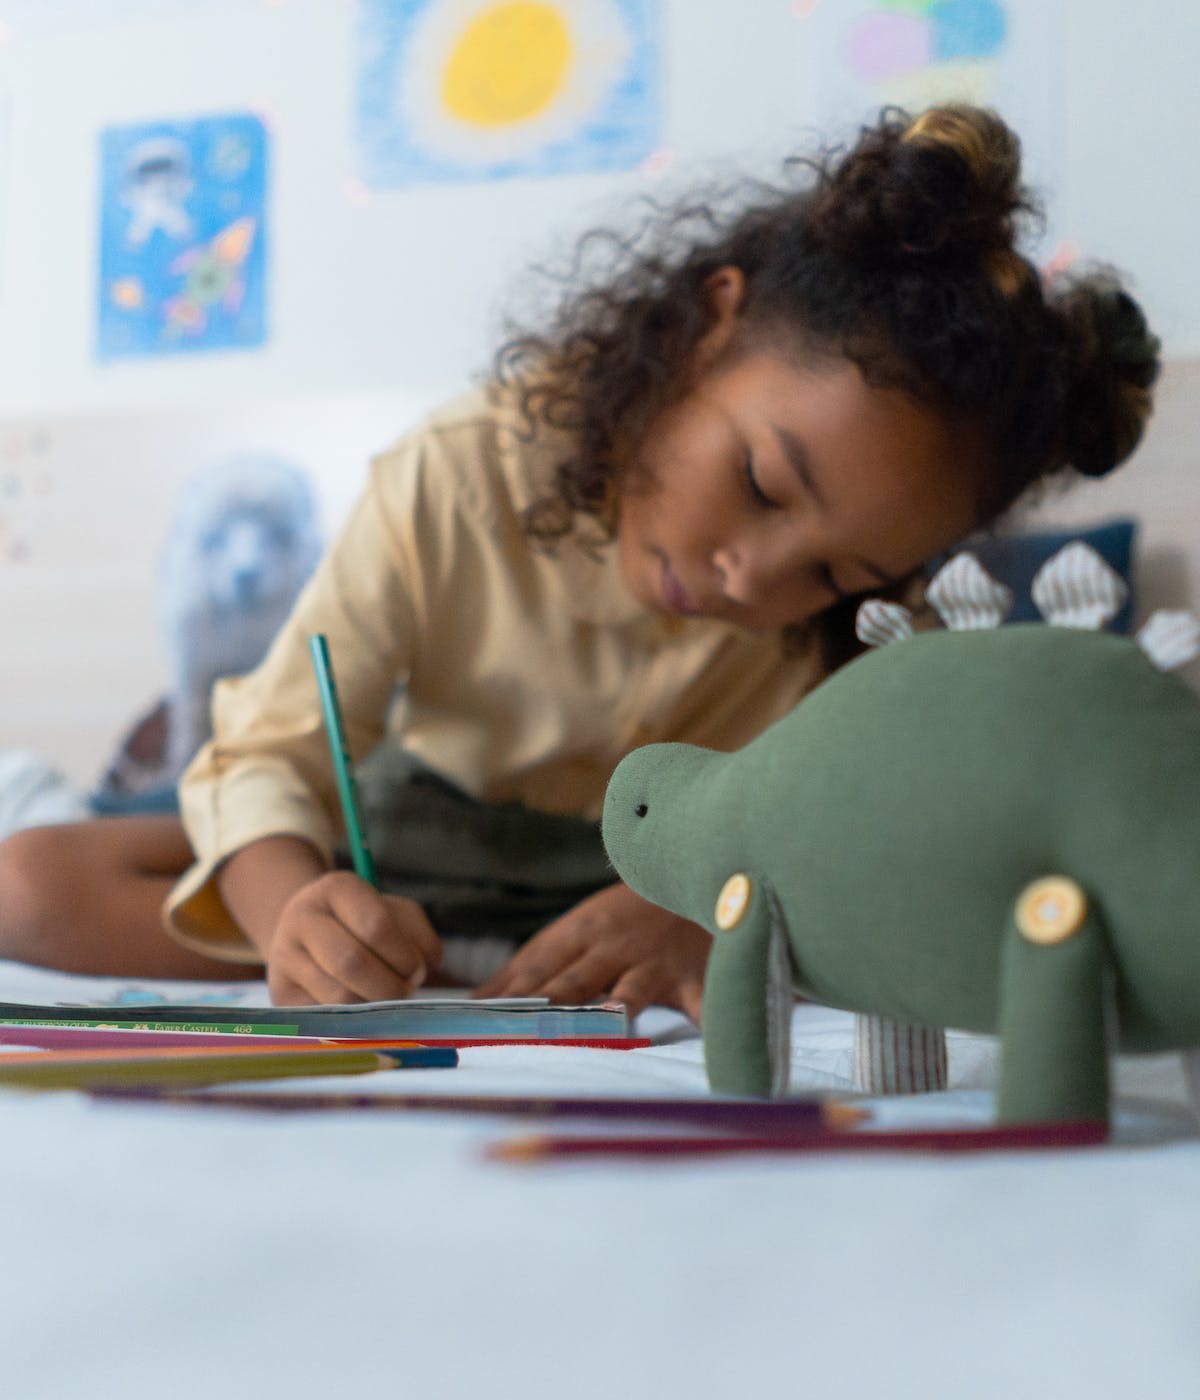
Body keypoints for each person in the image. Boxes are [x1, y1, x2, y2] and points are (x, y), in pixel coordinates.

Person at [0, 105, 1160, 1020]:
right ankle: (412, 946)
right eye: (760, 481)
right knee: (32, 880)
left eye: (836, 572)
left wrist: (703, 919)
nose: (752, 578)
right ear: (712, 323)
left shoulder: (889, 617)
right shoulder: (463, 469)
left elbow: (871, 829)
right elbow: (271, 745)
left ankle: (509, 956)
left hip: (674, 875)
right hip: (420, 837)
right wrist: (296, 911)